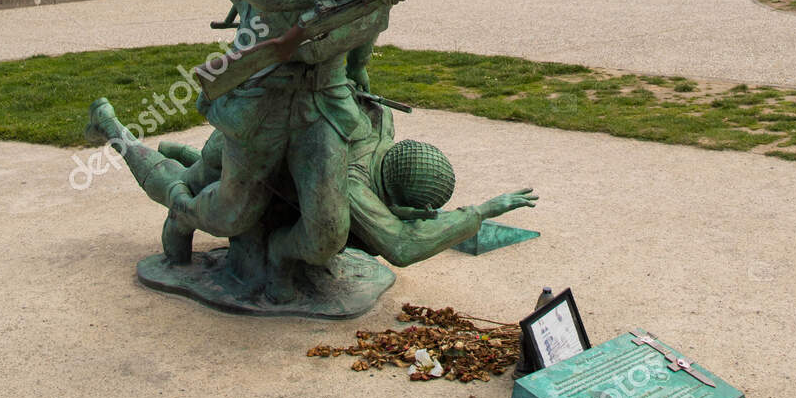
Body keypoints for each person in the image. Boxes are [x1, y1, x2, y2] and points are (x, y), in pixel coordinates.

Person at [90, 0, 414, 301]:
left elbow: (370, 17)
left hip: (324, 101)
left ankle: (281, 258)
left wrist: (359, 67)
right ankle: (175, 204)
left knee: (328, 233)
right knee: (231, 214)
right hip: (263, 93)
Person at [87, 97, 538, 269]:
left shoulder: (380, 123)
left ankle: (178, 154)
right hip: (241, 153)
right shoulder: (354, 187)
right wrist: (480, 212)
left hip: (270, 156)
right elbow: (402, 245)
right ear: (403, 206)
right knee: (182, 187)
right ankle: (112, 128)